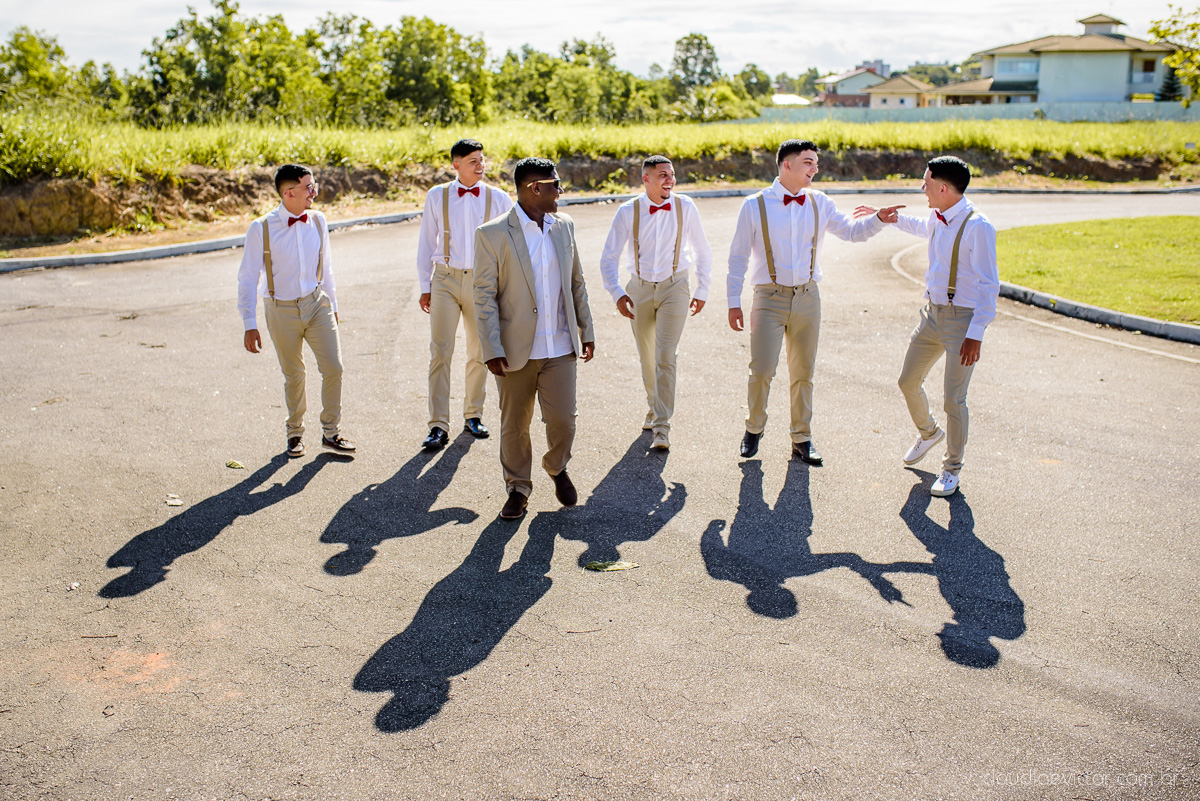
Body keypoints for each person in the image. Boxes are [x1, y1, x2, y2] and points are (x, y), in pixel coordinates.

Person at [727, 139, 898, 465]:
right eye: (808, 162)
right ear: (786, 165)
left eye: (816, 163)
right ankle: (754, 427)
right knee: (761, 370)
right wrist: (733, 301)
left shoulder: (820, 202)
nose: (815, 169)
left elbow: (851, 231)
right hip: (768, 297)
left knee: (803, 372)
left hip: (808, 297)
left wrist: (878, 219)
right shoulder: (754, 205)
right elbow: (737, 258)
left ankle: (801, 438)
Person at [472, 157, 596, 520]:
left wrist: (586, 330)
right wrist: (492, 347)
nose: (561, 191)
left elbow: (577, 283)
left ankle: (557, 467)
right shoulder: (492, 234)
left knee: (564, 421)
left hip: (560, 345)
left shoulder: (565, 227)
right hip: (513, 350)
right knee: (515, 424)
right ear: (534, 188)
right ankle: (518, 487)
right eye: (555, 184)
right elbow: (484, 296)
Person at [883, 156, 999, 497]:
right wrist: (895, 219)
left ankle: (952, 469)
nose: (923, 189)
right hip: (932, 315)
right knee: (907, 381)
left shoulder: (979, 226)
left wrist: (976, 333)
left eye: (926, 183)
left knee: (954, 400)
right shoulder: (938, 216)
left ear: (944, 188)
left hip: (962, 321)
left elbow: (989, 286)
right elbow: (924, 227)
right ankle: (929, 433)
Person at [238, 164, 356, 458]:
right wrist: (249, 323)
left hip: (317, 303)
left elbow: (326, 267)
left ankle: (331, 432)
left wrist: (335, 306)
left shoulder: (318, 220)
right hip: (281, 310)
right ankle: (295, 433)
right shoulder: (261, 228)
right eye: (308, 188)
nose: (314, 193)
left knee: (334, 367)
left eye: (314, 186)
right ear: (288, 193)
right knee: (295, 375)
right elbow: (248, 277)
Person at [598, 155, 713, 450]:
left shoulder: (686, 207)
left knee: (665, 355)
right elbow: (608, 258)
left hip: (676, 287)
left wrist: (702, 290)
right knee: (646, 356)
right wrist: (617, 293)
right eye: (662, 175)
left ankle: (662, 426)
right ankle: (653, 405)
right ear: (646, 179)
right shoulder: (628, 212)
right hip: (638, 289)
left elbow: (702, 250)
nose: (669, 180)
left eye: (671, 175)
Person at [416, 138, 514, 451]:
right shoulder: (437, 196)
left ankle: (473, 414)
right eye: (473, 160)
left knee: (479, 350)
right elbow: (425, 242)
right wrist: (424, 285)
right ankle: (438, 425)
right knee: (440, 351)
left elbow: (512, 243)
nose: (481, 165)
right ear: (456, 164)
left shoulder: (498, 198)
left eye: (482, 159)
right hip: (444, 279)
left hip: (483, 282)